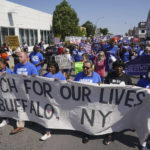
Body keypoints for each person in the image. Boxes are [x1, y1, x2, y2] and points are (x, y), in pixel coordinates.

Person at [103, 60, 132, 145]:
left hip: (122, 103)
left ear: (123, 68)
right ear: (114, 67)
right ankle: (109, 135)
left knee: (118, 118)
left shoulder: (127, 78)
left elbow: (131, 90)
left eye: (120, 67)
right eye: (117, 67)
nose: (119, 68)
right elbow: (105, 87)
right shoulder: (110, 76)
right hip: (110, 102)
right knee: (110, 118)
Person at [10, 52, 38, 134]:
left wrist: (29, 78)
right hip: (19, 91)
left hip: (29, 91)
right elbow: (14, 76)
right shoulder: (17, 66)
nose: (19, 58)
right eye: (18, 57)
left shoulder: (31, 66)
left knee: (30, 106)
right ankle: (20, 126)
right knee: (20, 107)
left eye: (21, 57)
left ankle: (33, 119)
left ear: (26, 57)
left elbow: (36, 78)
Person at [74, 60, 101, 143]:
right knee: (81, 116)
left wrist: (100, 85)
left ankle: (86, 133)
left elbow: (101, 88)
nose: (85, 69)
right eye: (84, 67)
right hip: (80, 101)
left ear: (92, 68)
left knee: (88, 118)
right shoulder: (79, 75)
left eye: (87, 68)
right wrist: (69, 82)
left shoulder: (96, 76)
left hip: (91, 102)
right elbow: (73, 85)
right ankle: (81, 128)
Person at [40, 62, 66, 141]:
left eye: (52, 67)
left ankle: (58, 125)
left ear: (56, 68)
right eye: (49, 67)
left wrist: (60, 82)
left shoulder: (61, 75)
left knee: (57, 113)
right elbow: (39, 80)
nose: (50, 69)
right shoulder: (46, 74)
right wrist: (34, 77)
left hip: (57, 98)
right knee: (48, 113)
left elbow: (65, 86)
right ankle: (48, 132)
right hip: (48, 98)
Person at [136, 66, 150, 150]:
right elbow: (135, 92)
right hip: (144, 109)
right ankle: (143, 144)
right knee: (146, 127)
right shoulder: (142, 81)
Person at [0, 58, 12, 127]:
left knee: (4, 105)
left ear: (4, 64)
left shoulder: (8, 71)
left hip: (6, 91)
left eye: (0, 65)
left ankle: (5, 119)